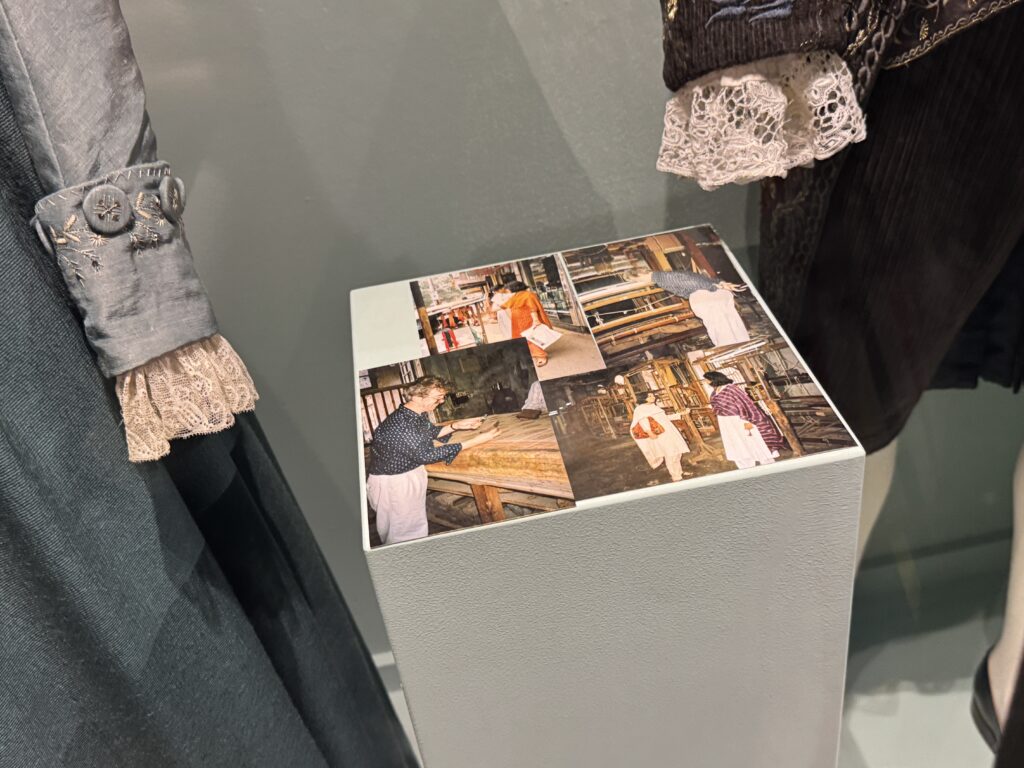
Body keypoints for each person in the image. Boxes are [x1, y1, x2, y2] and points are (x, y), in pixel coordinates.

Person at [366, 376, 500, 545]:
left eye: (442, 397)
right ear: (417, 397)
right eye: (438, 398)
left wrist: (457, 425)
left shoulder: (414, 414)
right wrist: (474, 441)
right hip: (394, 483)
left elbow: (430, 433)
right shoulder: (402, 423)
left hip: (403, 476)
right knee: (404, 534)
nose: (442, 401)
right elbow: (426, 455)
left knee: (408, 528)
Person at [704, 371, 783, 469]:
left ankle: (767, 464)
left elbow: (744, 404)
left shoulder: (731, 388)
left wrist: (746, 421)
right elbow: (719, 405)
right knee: (737, 443)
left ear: (714, 379)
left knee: (752, 440)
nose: (705, 381)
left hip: (739, 419)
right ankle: (746, 466)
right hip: (726, 422)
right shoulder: (715, 391)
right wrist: (712, 407)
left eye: (707, 379)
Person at [651, 270, 750, 348]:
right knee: (729, 327)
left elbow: (692, 282)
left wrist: (718, 285)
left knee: (724, 330)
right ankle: (738, 347)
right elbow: (696, 281)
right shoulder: (661, 277)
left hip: (710, 299)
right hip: (712, 299)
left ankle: (735, 348)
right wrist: (719, 285)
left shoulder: (659, 277)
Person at [629, 393, 691, 482]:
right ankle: (676, 477)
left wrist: (680, 414)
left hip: (669, 431)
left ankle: (679, 472)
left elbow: (665, 418)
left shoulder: (654, 406)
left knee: (677, 452)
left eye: (652, 395)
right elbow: (643, 421)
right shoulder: (640, 409)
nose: (653, 397)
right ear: (643, 398)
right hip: (661, 434)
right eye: (650, 396)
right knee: (670, 453)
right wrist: (649, 432)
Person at [504, 280, 554, 367]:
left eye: (508, 290)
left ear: (514, 288)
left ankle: (540, 356)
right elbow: (505, 306)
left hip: (528, 319)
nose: (507, 292)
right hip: (520, 320)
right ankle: (534, 353)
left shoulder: (528, 295)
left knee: (531, 337)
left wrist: (535, 319)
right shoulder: (516, 296)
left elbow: (532, 308)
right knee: (526, 337)